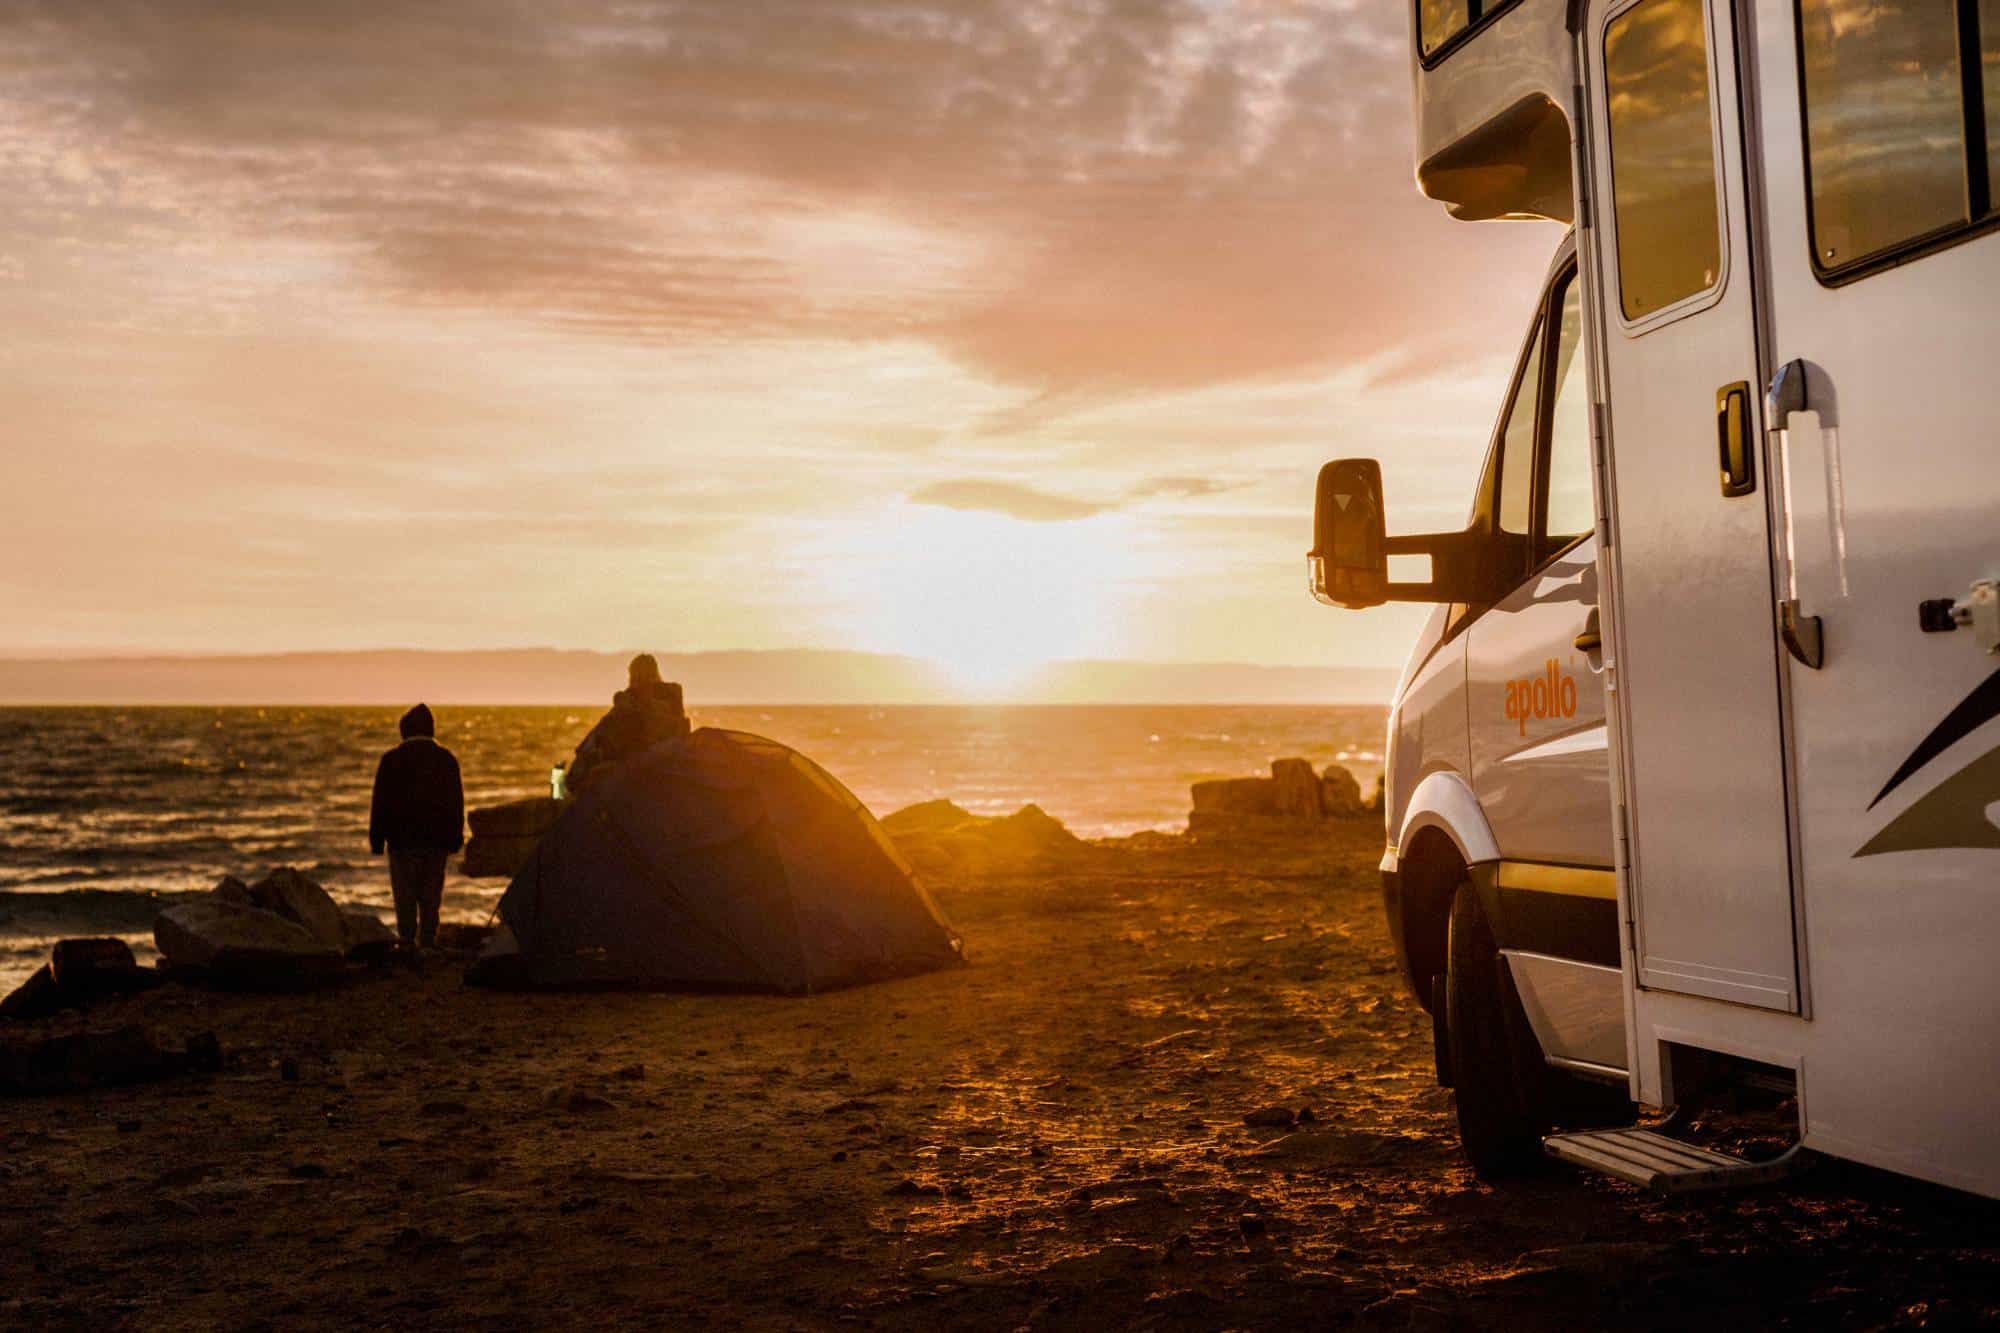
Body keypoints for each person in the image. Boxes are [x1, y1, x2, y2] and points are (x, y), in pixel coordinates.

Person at [368, 703, 465, 949]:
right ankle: (429, 942)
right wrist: (456, 837)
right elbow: (456, 802)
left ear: (404, 730)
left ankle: (407, 942)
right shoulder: (446, 760)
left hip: (402, 841)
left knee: (405, 896)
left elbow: (380, 802)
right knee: (431, 897)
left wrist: (377, 839)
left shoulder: (391, 760)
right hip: (436, 841)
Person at [566, 654, 691, 793]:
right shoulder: (672, 695)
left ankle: (576, 776)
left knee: (606, 726)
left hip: (639, 752)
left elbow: (613, 727)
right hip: (665, 752)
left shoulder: (632, 698)